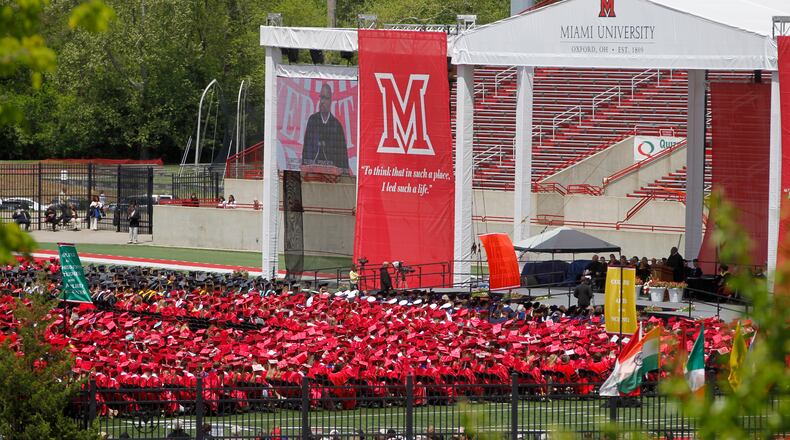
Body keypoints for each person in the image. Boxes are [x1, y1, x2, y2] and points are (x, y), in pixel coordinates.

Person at [302, 83, 349, 170]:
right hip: (313, 174)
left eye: (326, 98)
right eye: (321, 97)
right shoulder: (312, 121)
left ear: (331, 101)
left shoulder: (337, 126)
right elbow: (306, 150)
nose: (322, 101)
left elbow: (343, 158)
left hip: (332, 178)